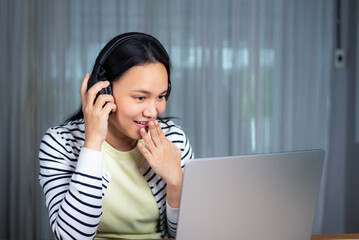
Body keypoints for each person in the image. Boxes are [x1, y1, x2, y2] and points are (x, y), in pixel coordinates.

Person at [38, 32, 194, 239]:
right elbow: (72, 237)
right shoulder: (61, 143)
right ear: (104, 91)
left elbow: (184, 234)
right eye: (140, 97)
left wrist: (176, 181)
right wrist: (92, 143)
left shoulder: (173, 139)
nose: (153, 111)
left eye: (161, 97)